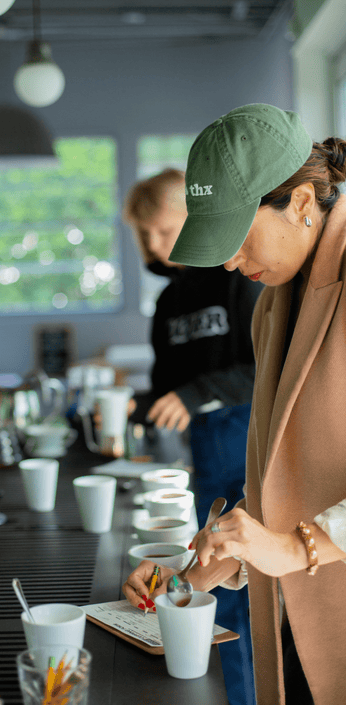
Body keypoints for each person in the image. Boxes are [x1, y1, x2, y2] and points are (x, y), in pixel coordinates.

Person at [122, 103, 346, 705]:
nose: (225, 261)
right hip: (307, 611)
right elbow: (281, 476)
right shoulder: (276, 300)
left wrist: (290, 547)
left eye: (237, 237)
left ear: (301, 203)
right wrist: (196, 575)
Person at [122, 168, 261, 705]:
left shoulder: (239, 275)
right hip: (206, 452)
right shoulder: (167, 304)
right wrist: (137, 408)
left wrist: (197, 393)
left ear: (193, 219)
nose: (155, 244)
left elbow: (266, 367)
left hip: (249, 437)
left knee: (237, 597)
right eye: (145, 234)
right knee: (213, 589)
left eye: (163, 229)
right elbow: (164, 389)